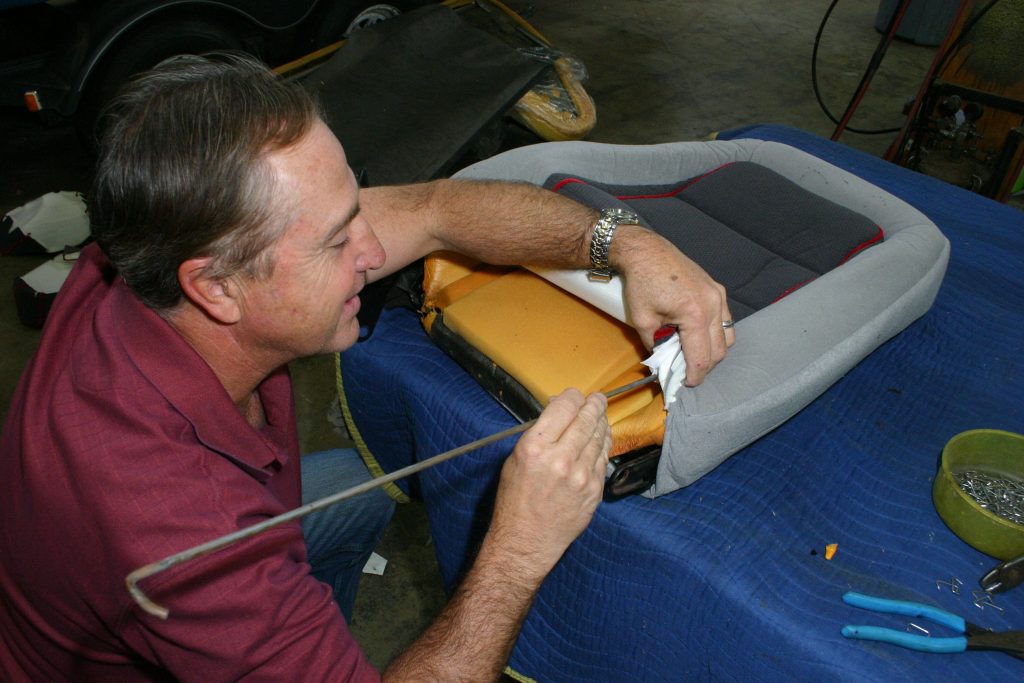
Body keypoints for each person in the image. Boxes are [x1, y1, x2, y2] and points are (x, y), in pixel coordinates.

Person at [0, 53, 733, 681]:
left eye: (355, 206)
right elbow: (188, 535)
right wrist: (516, 551)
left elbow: (437, 208)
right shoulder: (188, 538)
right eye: (334, 241)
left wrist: (624, 243)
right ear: (217, 286)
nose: (374, 252)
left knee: (361, 487)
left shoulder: (151, 243)